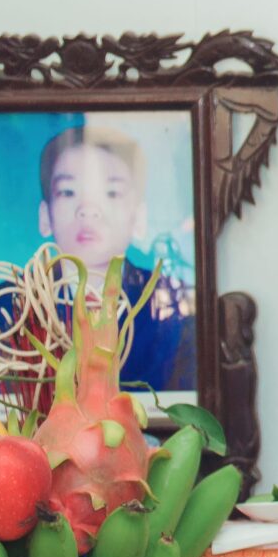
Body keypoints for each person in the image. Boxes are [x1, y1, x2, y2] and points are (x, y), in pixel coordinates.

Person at [34, 122, 196, 395]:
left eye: (111, 193)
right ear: (44, 216)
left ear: (140, 218)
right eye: (69, 192)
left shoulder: (174, 307)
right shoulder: (4, 309)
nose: (88, 210)